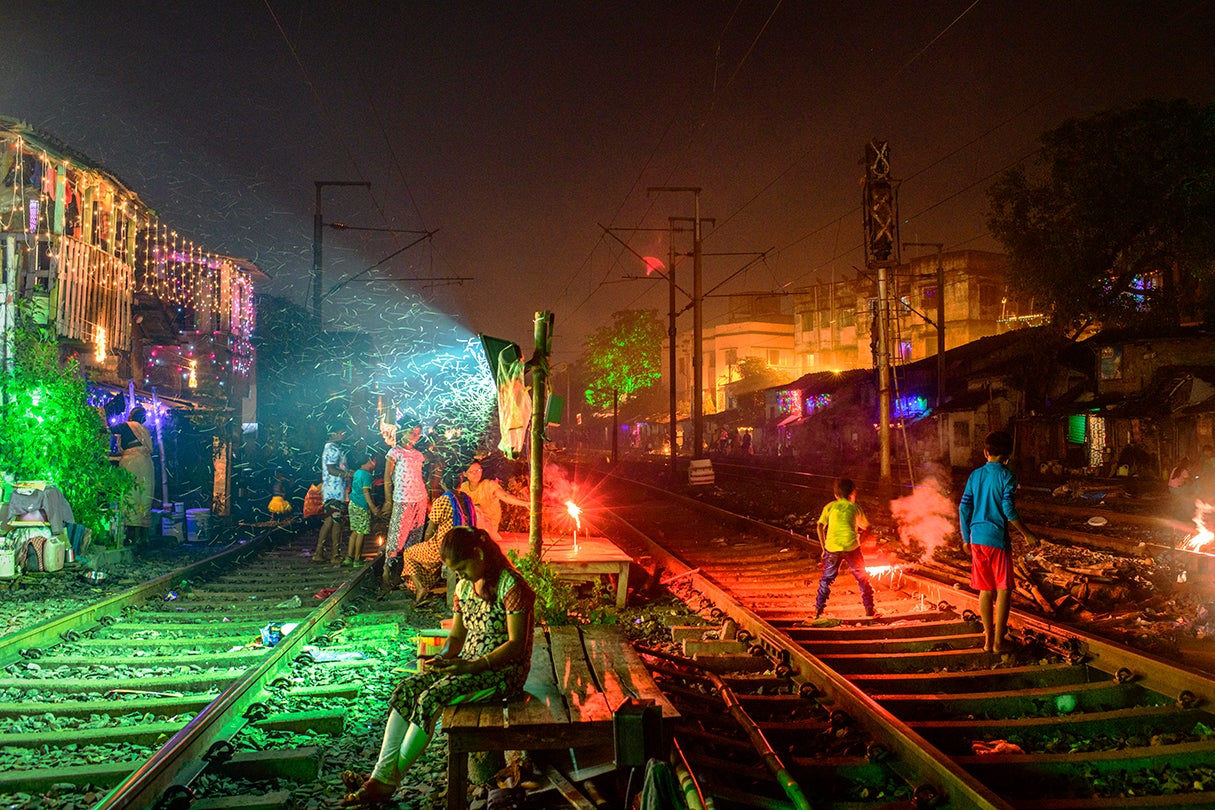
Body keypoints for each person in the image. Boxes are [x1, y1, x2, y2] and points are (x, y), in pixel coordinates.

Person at [341, 526, 536, 807]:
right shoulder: (464, 587)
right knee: (406, 689)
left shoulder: (511, 586)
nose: (460, 575)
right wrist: (443, 658)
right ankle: (380, 777)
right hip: (468, 665)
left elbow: (516, 645)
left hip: (503, 675)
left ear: (479, 554)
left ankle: (384, 783)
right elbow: (456, 637)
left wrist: (473, 667)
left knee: (430, 698)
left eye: (462, 567)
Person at [959, 430, 1038, 655]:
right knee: (1003, 590)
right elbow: (1008, 510)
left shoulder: (975, 475)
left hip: (976, 539)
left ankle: (987, 641)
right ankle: (998, 643)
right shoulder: (1008, 476)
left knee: (985, 590)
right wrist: (1026, 533)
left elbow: (964, 507)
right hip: (997, 540)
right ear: (1008, 455)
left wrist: (966, 537)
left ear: (985, 453)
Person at [404, 484, 477, 606]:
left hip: (444, 547)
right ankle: (427, 586)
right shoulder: (466, 498)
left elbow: (429, 530)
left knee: (409, 553)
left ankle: (420, 588)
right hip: (466, 543)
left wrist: (426, 544)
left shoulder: (443, 500)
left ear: (443, 482)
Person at [814, 477, 876, 619]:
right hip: (852, 548)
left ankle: (818, 611)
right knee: (862, 578)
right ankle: (869, 610)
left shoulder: (829, 507)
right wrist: (862, 539)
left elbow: (819, 526)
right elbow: (867, 527)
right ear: (852, 493)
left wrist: (824, 548)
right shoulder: (855, 508)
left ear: (836, 494)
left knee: (826, 580)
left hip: (832, 548)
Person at [383, 418, 428, 587]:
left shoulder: (418, 455)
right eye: (412, 432)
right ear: (403, 431)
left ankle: (409, 580)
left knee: (414, 540)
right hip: (402, 499)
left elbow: (420, 477)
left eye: (417, 433)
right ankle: (388, 576)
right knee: (396, 538)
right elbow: (388, 477)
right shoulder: (395, 452)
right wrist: (388, 500)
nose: (415, 435)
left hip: (420, 500)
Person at [111, 406, 154, 545]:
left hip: (132, 463)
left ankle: (132, 537)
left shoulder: (127, 426)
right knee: (145, 496)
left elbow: (109, 430)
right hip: (147, 464)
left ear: (131, 417)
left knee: (131, 495)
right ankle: (145, 536)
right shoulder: (145, 431)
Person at [458, 460, 528, 542]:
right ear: (465, 474)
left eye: (478, 470)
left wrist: (524, 503)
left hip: (488, 526)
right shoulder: (464, 487)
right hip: (471, 525)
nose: (476, 474)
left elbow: (504, 496)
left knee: (476, 513)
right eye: (472, 472)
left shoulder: (489, 485)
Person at [316, 425, 351, 563]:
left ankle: (319, 553)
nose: (344, 435)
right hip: (335, 491)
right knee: (337, 523)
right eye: (342, 431)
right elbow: (331, 469)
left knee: (329, 521)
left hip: (332, 490)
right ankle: (335, 555)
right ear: (333, 433)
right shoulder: (333, 449)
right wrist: (348, 474)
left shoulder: (330, 447)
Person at [344, 453, 380, 566]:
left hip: (353, 504)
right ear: (370, 461)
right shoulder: (366, 475)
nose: (375, 463)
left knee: (355, 531)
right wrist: (373, 507)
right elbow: (366, 492)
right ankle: (357, 559)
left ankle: (349, 557)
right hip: (361, 506)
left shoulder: (357, 473)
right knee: (361, 532)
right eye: (374, 461)